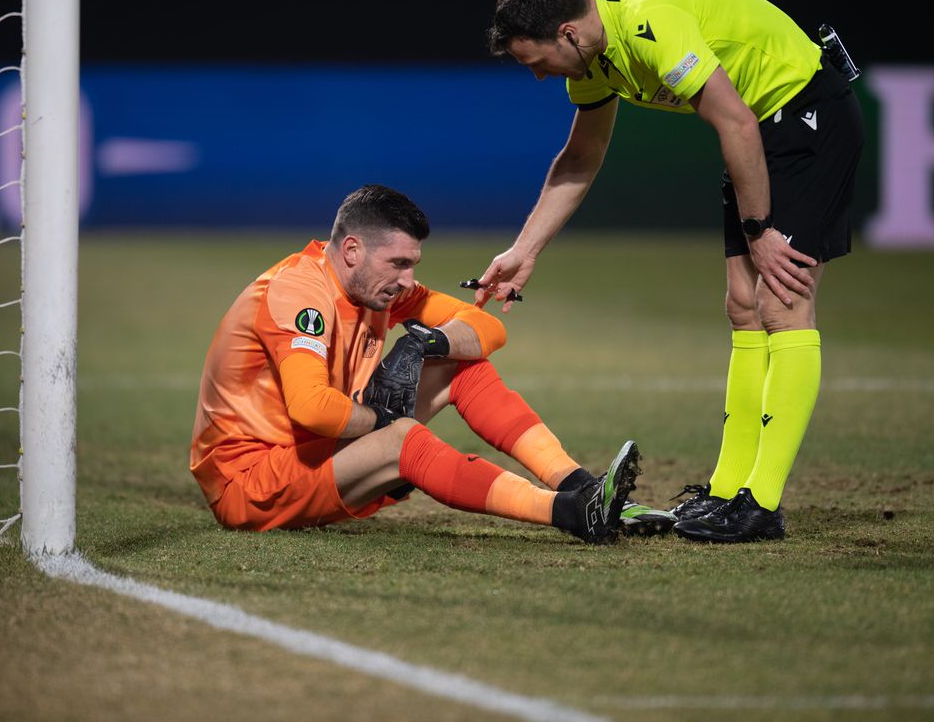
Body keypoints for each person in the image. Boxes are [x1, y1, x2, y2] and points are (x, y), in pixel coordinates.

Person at [478, 0, 864, 543]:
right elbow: (580, 158)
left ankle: (762, 502)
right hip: (758, 130)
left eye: (536, 60)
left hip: (808, 115)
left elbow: (731, 118)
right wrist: (524, 250)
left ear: (568, 33)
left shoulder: (646, 22)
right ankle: (729, 488)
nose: (537, 74)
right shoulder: (593, 57)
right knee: (742, 306)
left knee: (782, 303)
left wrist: (759, 230)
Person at [190, 184, 672, 540]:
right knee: (400, 436)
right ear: (353, 250)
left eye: (413, 264)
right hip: (252, 484)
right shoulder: (301, 296)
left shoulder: (372, 287)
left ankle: (585, 487)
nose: (408, 279)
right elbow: (311, 409)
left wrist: (429, 343)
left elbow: (487, 331)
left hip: (313, 456)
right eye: (398, 263)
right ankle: (570, 513)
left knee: (459, 364)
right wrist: (382, 420)